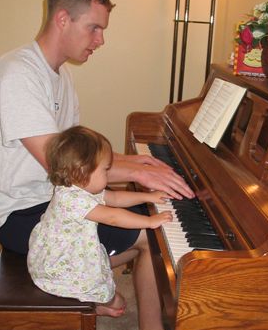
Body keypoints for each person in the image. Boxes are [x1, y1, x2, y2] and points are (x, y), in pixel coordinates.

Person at [0, 0, 194, 330]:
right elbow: (67, 169)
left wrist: (137, 162)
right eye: (94, 28)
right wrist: (139, 174)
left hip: (50, 198)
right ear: (63, 19)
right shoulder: (18, 75)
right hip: (21, 215)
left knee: (138, 208)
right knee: (150, 233)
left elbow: (79, 154)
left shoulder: (59, 74)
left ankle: (99, 283)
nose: (100, 40)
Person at [27, 125, 173, 318]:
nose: (108, 174)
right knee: (97, 284)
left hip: (68, 247)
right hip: (60, 263)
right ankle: (105, 301)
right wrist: (149, 221)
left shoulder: (77, 186)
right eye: (105, 170)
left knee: (99, 264)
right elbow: (113, 217)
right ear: (82, 170)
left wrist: (148, 197)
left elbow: (116, 199)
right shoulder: (73, 199)